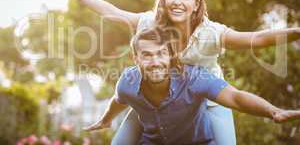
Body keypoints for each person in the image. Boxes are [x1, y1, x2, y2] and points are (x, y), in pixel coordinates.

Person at [63, 0, 300, 145]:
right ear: (164, 1)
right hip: (158, 97)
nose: (177, 1)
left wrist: (295, 32)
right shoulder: (149, 23)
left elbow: (257, 39)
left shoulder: (212, 33)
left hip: (209, 98)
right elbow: (110, 11)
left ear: (196, 4)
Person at [83, 28, 300, 145]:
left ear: (170, 55)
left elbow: (235, 98)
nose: (155, 61)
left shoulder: (194, 78)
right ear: (135, 58)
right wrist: (106, 119)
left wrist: (273, 111)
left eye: (160, 54)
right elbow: (118, 100)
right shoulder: (128, 81)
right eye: (147, 55)